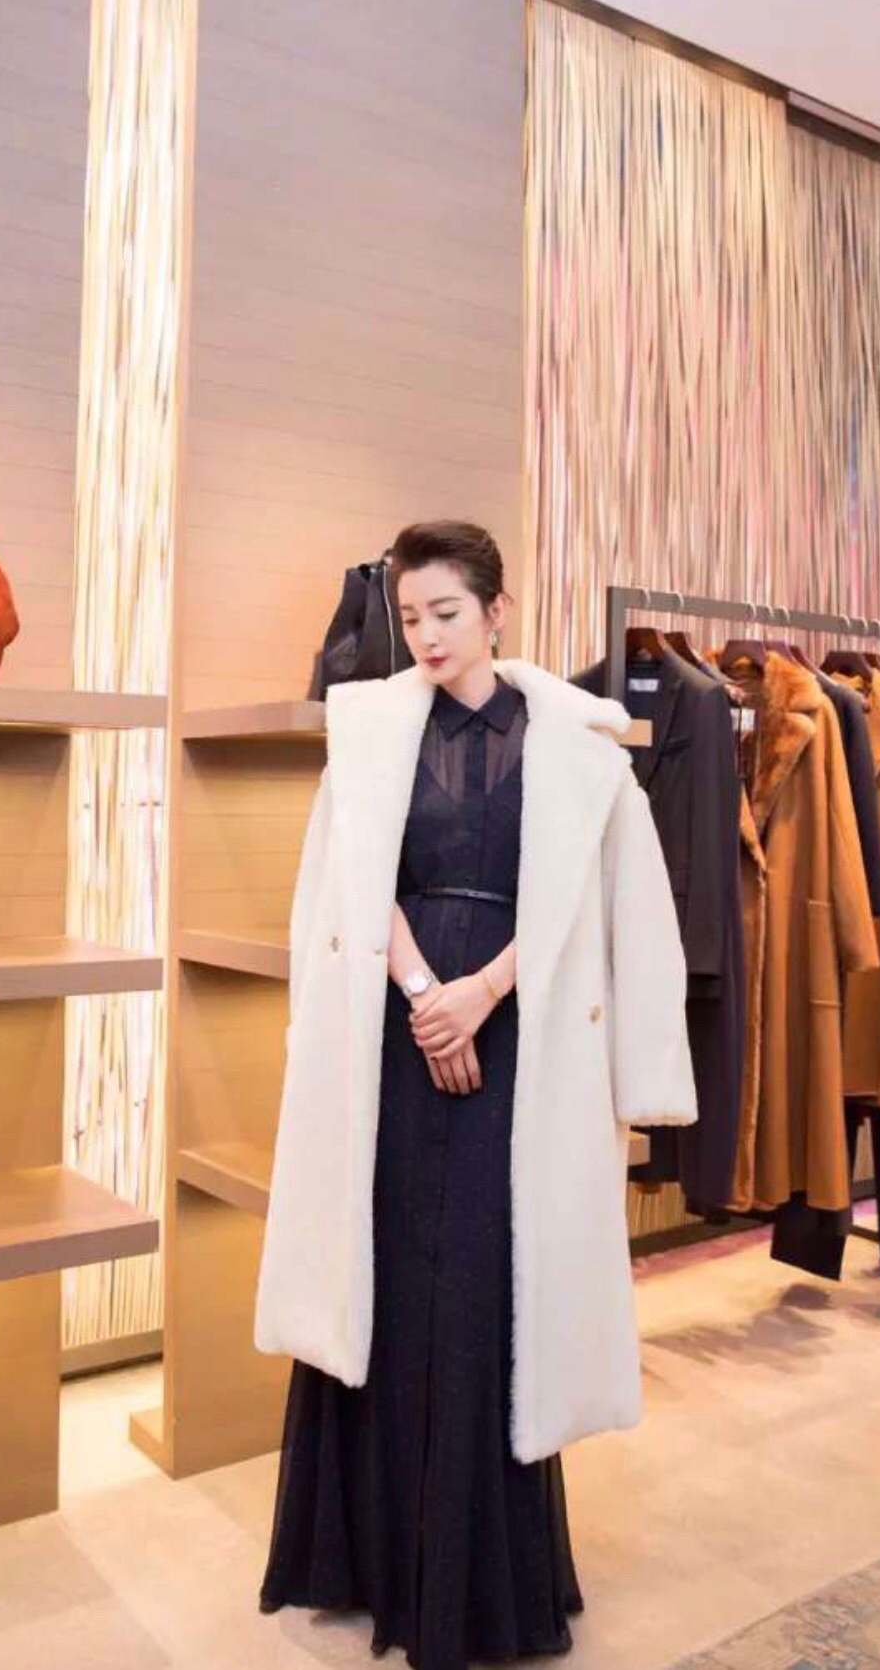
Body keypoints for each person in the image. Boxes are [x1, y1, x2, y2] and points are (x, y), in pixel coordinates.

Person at [255, 521, 695, 1669]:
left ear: (498, 610)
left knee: (490, 1290)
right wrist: (424, 997)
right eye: (410, 616)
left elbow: (602, 906)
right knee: (389, 1280)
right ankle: (363, 1561)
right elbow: (348, 886)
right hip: (396, 1033)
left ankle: (474, 1582)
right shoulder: (370, 733)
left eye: (447, 612)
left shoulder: (581, 743)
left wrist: (484, 992)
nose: (427, 635)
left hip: (522, 1034)